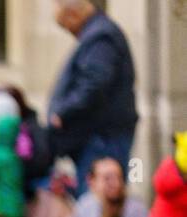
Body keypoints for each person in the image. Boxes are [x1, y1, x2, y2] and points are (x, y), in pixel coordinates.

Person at [47, 0, 137, 191]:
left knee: (98, 203)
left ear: (73, 15)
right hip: (99, 137)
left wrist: (62, 113)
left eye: (66, 25)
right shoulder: (98, 34)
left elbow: (94, 84)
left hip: (101, 139)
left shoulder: (101, 36)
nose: (70, 32)